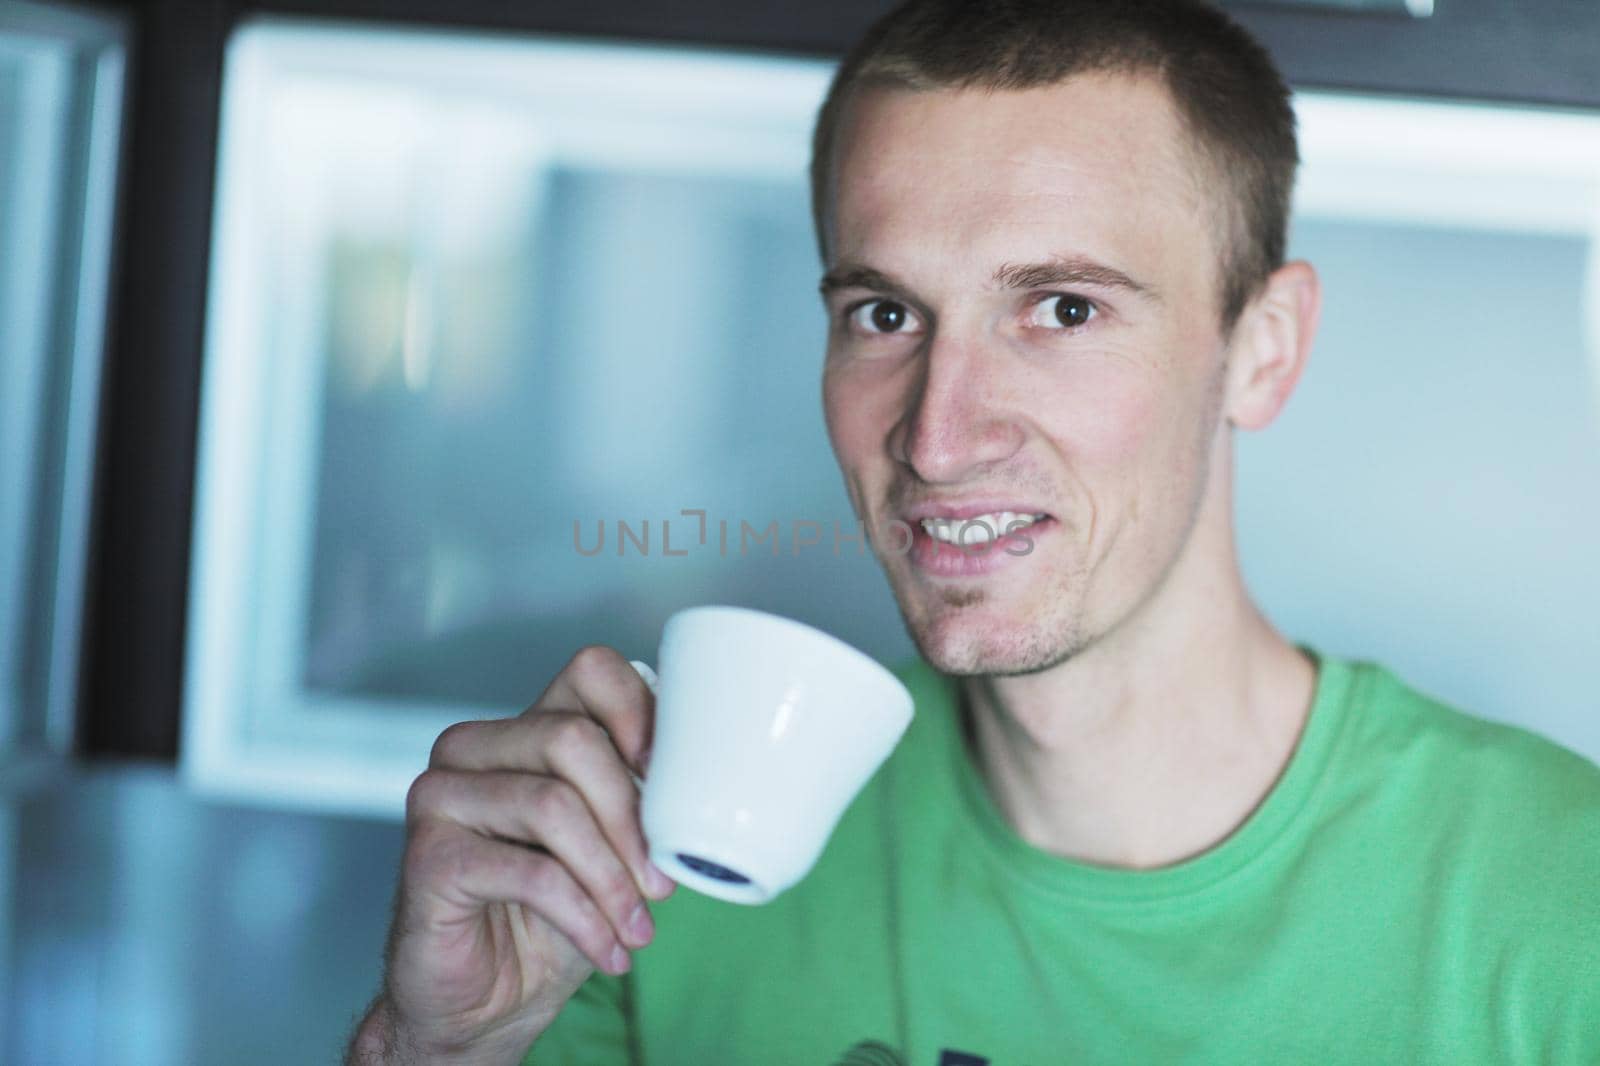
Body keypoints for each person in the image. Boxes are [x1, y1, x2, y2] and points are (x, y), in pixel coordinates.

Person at [346, 1, 1600, 1062]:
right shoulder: (643, 879)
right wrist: (437, 1046)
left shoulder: (1558, 908)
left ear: (1258, 353)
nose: (936, 440)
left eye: (1061, 308)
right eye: (885, 315)